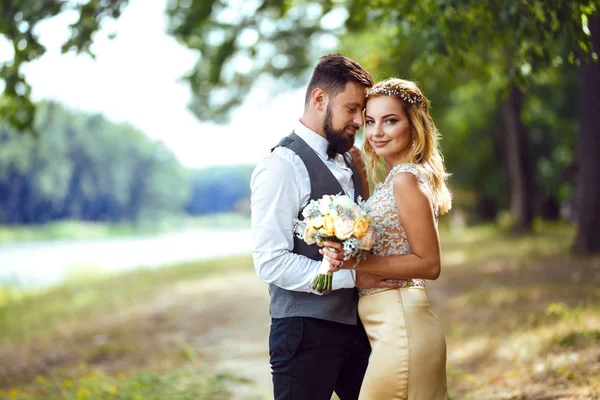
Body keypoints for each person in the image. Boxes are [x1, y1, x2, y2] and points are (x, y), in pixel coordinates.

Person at [250, 54, 403, 400]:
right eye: (351, 109)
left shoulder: (353, 159)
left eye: (361, 111)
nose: (360, 121)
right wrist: (352, 277)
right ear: (319, 99)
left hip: (361, 326)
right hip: (304, 331)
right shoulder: (281, 165)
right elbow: (270, 261)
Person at [323, 78, 452, 399]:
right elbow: (389, 234)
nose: (377, 131)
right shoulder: (396, 179)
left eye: (390, 120)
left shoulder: (407, 180)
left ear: (414, 125)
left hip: (402, 326)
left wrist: (359, 265)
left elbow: (430, 263)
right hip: (391, 327)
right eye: (370, 121)